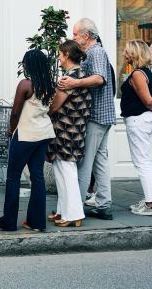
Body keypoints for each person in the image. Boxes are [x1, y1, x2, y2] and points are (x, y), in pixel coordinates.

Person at [0, 49, 56, 232]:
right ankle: (37, 222)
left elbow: (15, 112)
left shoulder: (25, 84)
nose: (23, 65)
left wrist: (10, 130)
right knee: (37, 177)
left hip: (25, 135)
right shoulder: (49, 85)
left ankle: (8, 222)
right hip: (43, 134)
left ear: (29, 65)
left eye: (24, 63)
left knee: (13, 177)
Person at [58, 18, 116, 220]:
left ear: (86, 35)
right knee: (100, 160)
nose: (73, 37)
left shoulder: (96, 51)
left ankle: (77, 207)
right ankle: (103, 204)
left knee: (85, 162)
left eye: (75, 34)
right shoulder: (90, 53)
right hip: (103, 115)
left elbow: (100, 78)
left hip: (97, 115)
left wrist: (75, 82)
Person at [46, 40, 92, 228]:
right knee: (62, 171)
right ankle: (63, 211)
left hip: (67, 131)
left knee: (67, 172)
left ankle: (74, 214)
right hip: (75, 130)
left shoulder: (69, 78)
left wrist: (46, 112)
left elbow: (56, 105)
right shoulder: (81, 74)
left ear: (66, 54)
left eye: (60, 54)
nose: (58, 57)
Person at [120, 40, 152, 216]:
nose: (124, 54)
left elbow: (148, 100)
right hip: (143, 120)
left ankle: (150, 205)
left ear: (134, 54)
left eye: (126, 51)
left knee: (142, 162)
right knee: (145, 160)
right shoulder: (146, 72)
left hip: (138, 120)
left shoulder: (138, 74)